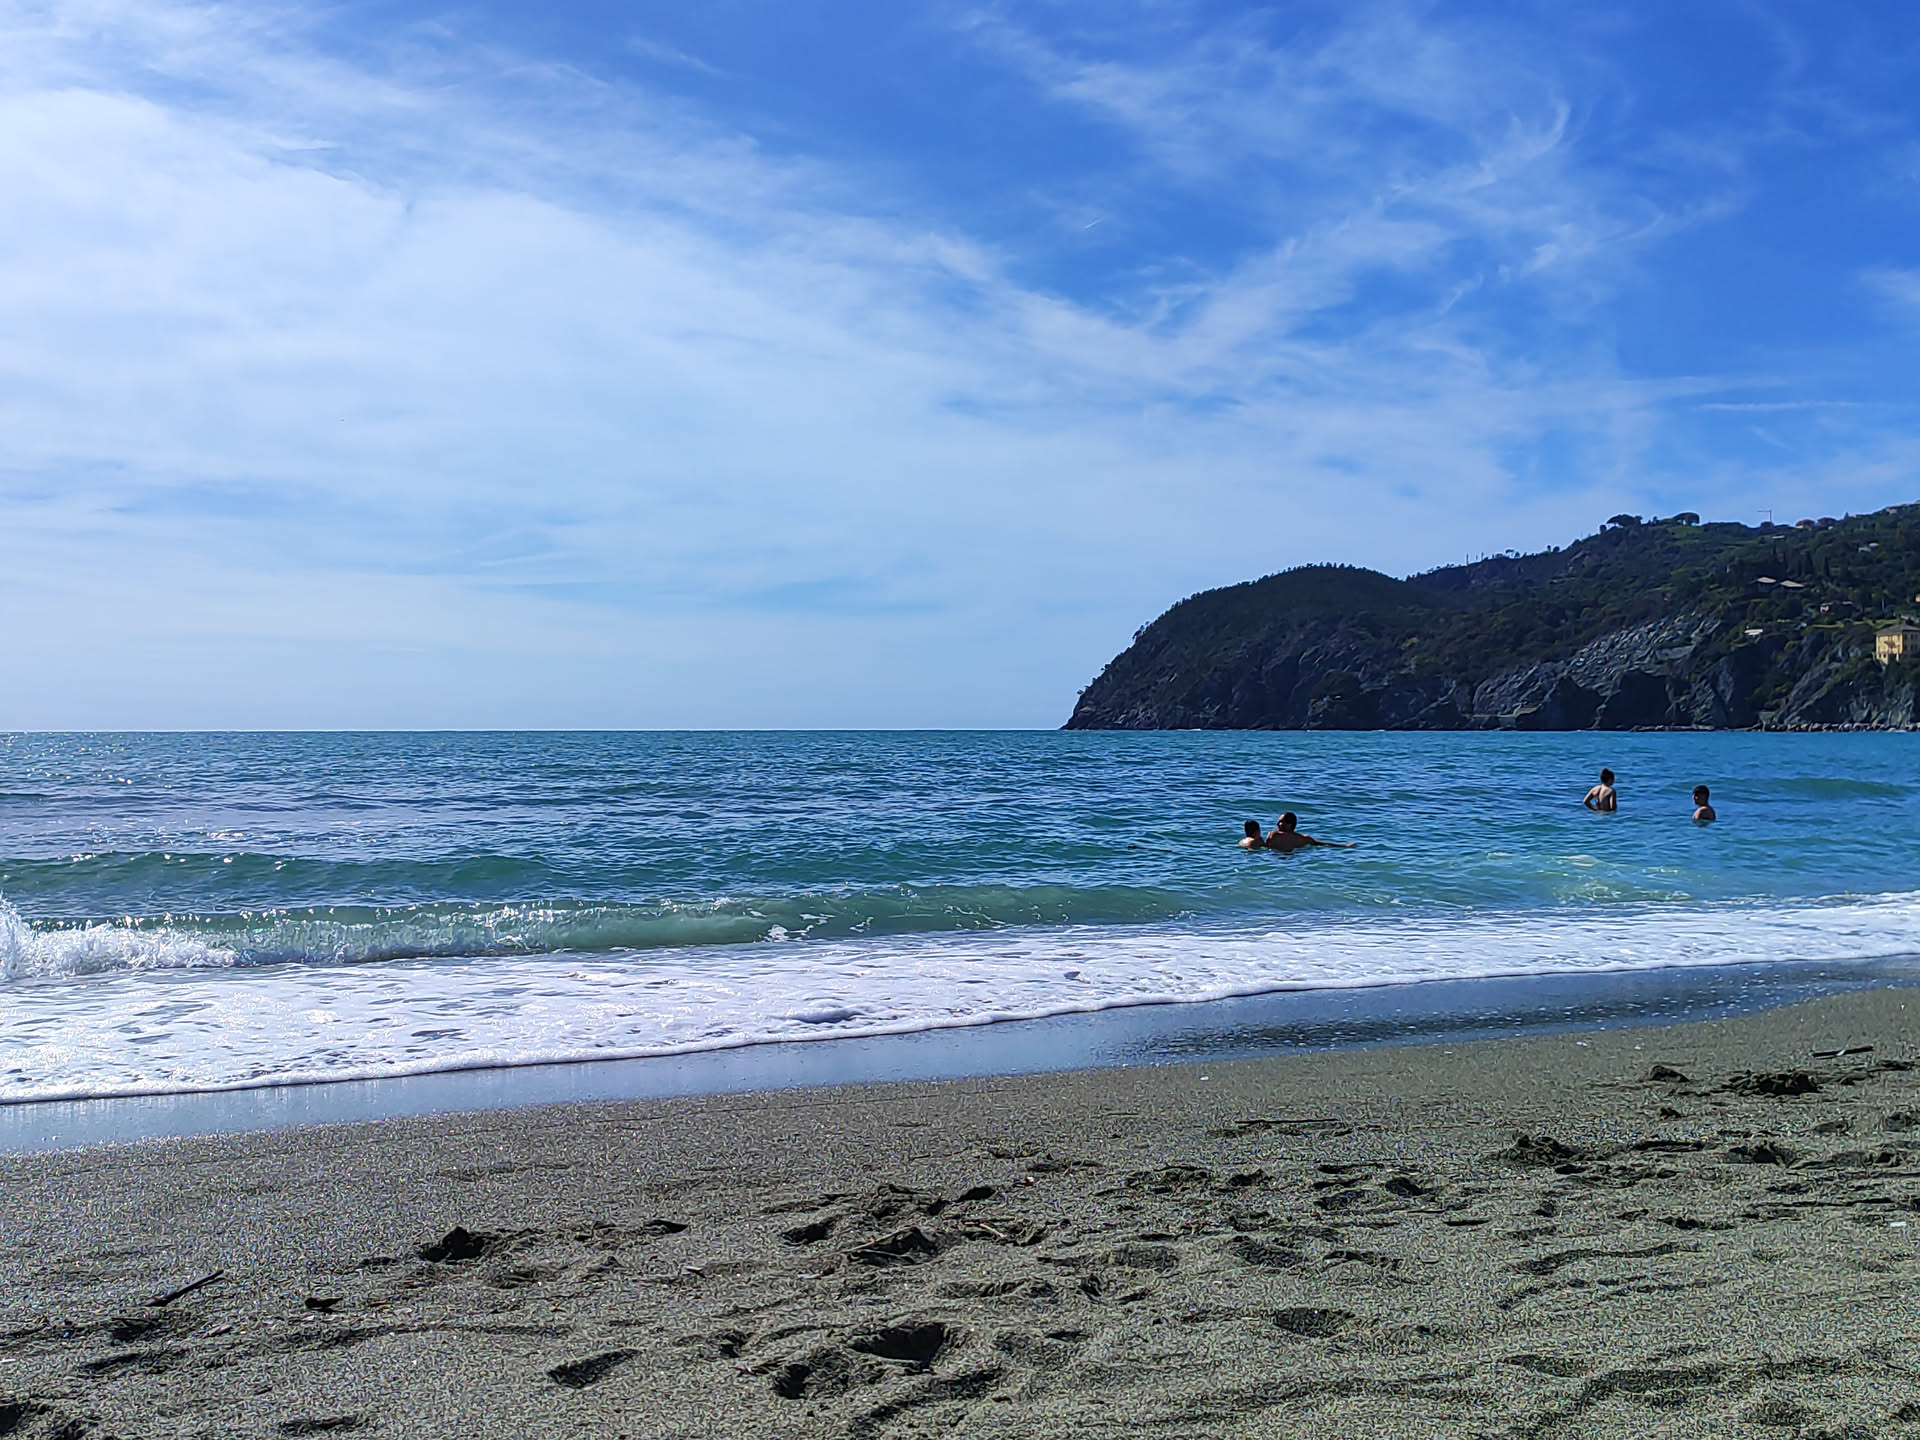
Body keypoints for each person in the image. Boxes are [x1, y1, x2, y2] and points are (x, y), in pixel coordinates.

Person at [1264, 812, 1355, 852]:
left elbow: (1264, 848)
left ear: (1289, 824)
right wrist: (1344, 846)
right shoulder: (1303, 839)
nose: (1277, 824)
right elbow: (1323, 844)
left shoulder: (1273, 835)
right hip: (1293, 858)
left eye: (1280, 822)